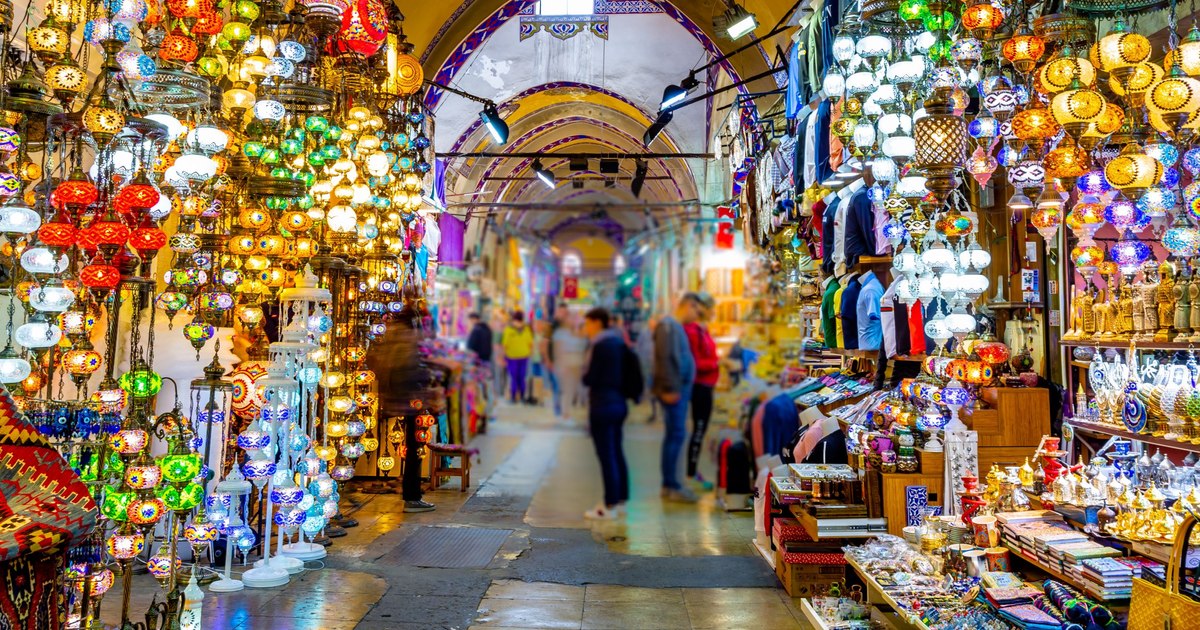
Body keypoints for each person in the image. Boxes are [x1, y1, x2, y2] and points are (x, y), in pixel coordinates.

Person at [366, 310, 440, 513]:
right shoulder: (407, 339)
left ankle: (410, 493)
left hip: (399, 400)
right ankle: (412, 496)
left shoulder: (392, 337)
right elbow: (412, 370)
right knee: (415, 449)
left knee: (412, 448)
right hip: (410, 401)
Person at [652, 293, 707, 503]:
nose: (697, 315)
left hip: (678, 389)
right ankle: (672, 485)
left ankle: (670, 484)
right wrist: (669, 388)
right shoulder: (668, 327)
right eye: (696, 310)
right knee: (676, 436)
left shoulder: (674, 327)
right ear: (687, 306)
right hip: (674, 390)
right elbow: (665, 360)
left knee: (675, 436)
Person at [581, 307, 630, 519]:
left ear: (597, 323)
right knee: (617, 451)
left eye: (588, 323)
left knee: (606, 454)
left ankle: (608, 505)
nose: (586, 328)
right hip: (619, 403)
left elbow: (590, 378)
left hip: (602, 405)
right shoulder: (619, 343)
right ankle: (620, 501)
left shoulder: (600, 346)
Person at [684, 295, 719, 488]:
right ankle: (690, 475)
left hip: (705, 385)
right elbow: (694, 363)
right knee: (698, 430)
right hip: (700, 386)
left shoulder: (701, 330)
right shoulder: (692, 331)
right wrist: (717, 363)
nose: (713, 312)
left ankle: (692, 472)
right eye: (710, 308)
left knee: (700, 430)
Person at [552, 315, 588, 422]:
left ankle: (579, 413)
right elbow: (558, 350)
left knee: (579, 390)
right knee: (567, 390)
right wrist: (560, 364)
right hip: (567, 364)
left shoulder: (578, 333)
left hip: (578, 364)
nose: (573, 321)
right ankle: (565, 414)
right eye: (571, 318)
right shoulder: (560, 334)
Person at [500, 311, 534, 403]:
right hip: (524, 356)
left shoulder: (508, 329)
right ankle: (522, 397)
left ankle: (513, 397)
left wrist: (502, 357)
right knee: (521, 377)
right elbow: (530, 344)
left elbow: (504, 345)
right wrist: (530, 353)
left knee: (514, 377)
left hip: (512, 357)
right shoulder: (526, 329)